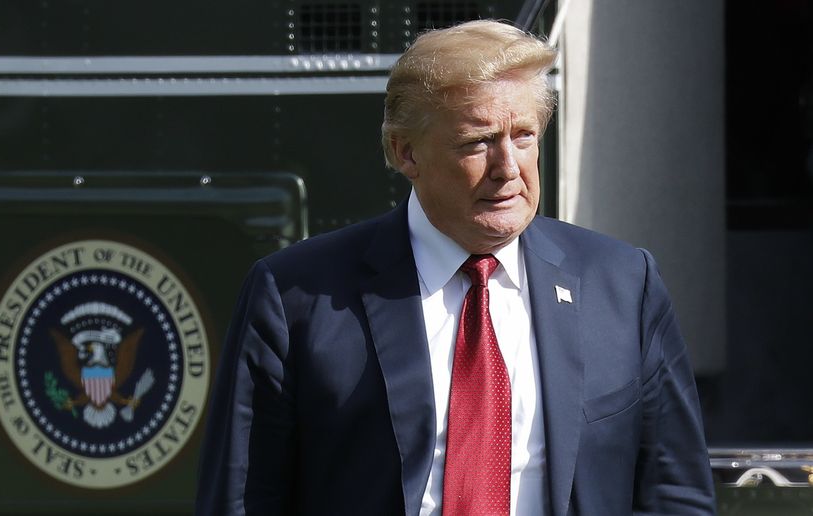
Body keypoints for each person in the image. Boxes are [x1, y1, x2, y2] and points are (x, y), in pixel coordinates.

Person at [195, 20, 715, 516]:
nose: (508, 168)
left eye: (525, 136)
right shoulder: (296, 295)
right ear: (407, 153)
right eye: (477, 142)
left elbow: (674, 490)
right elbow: (242, 499)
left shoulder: (622, 284)